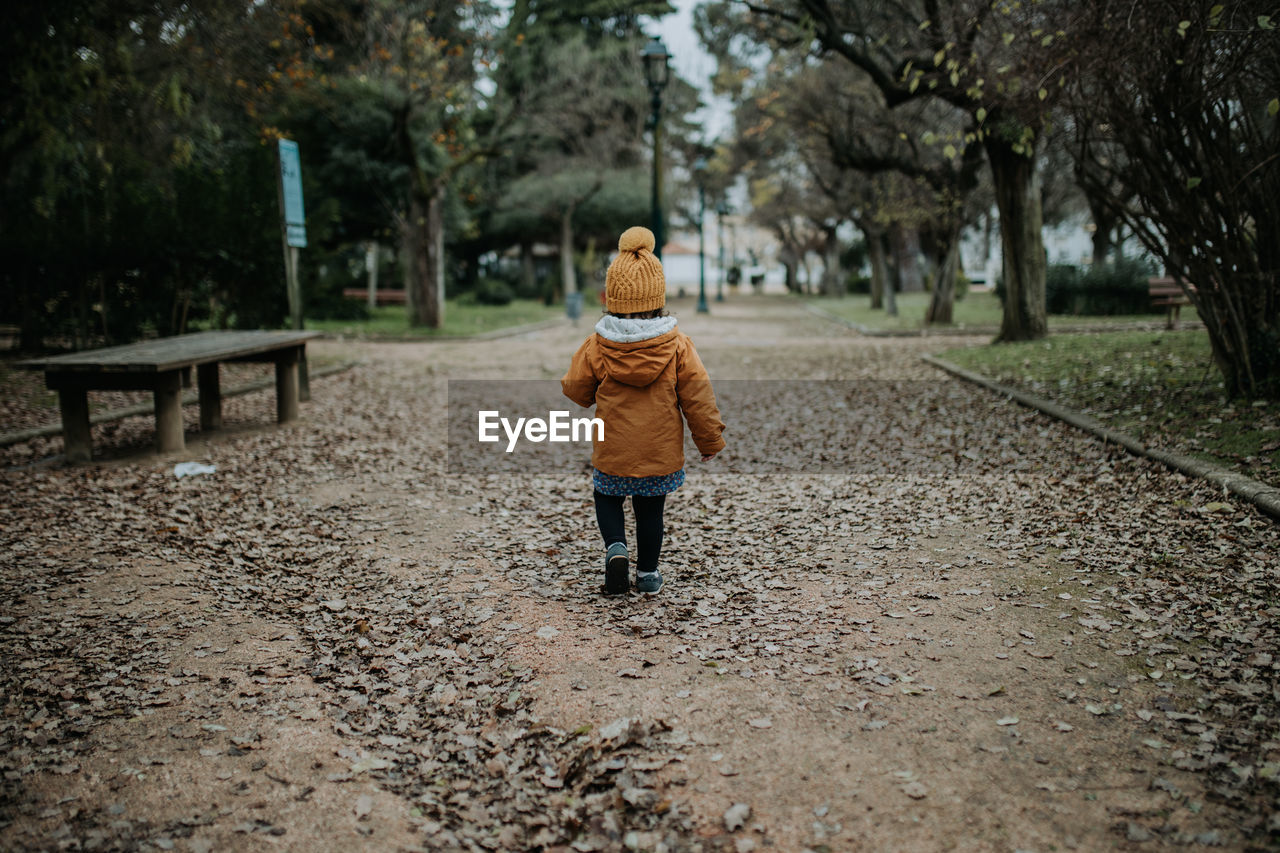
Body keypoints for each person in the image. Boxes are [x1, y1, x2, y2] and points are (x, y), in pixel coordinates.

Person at [561, 226, 725, 595]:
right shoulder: (678, 346)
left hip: (613, 450)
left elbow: (576, 390)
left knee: (607, 498)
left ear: (612, 297)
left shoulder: (597, 345)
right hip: (658, 452)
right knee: (651, 511)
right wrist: (709, 440)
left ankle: (616, 548)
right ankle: (648, 575)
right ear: (659, 297)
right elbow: (699, 397)